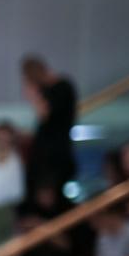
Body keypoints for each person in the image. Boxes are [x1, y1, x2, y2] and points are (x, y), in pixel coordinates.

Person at [20, 54, 78, 194]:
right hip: (50, 155)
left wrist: (33, 95)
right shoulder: (51, 89)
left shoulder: (61, 87)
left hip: (54, 158)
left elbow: (45, 114)